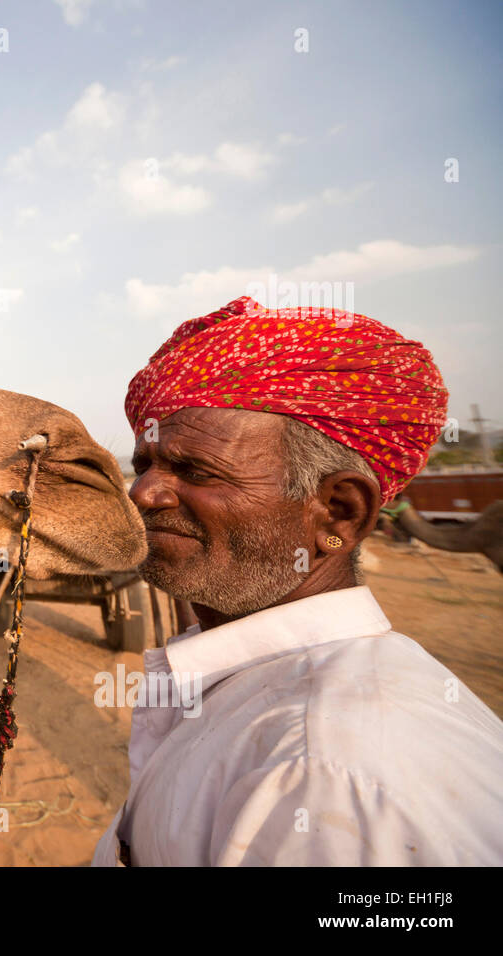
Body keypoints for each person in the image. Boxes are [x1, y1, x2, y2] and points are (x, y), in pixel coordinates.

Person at [91, 296, 503, 866]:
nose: (143, 494)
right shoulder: (262, 703)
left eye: (195, 470)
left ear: (337, 513)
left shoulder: (329, 775)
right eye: (146, 465)